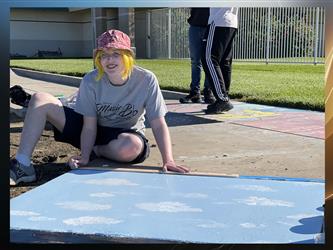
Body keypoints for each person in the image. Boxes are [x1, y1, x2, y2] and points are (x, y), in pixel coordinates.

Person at [10, 29, 189, 186]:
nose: (109, 60)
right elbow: (89, 125)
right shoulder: (91, 80)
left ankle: (99, 151)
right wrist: (85, 157)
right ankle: (22, 165)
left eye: (116, 53)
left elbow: (158, 123)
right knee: (40, 98)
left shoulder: (146, 80)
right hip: (91, 130)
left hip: (123, 136)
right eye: (103, 55)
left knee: (132, 146)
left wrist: (169, 160)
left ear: (128, 56)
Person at [201, 8, 238, 114]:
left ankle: (222, 98)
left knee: (208, 58)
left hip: (218, 20)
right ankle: (223, 98)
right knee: (224, 62)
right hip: (231, 21)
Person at [179, 8, 215, 104]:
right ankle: (195, 92)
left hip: (210, 26)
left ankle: (208, 92)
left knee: (209, 60)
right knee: (195, 61)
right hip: (194, 25)